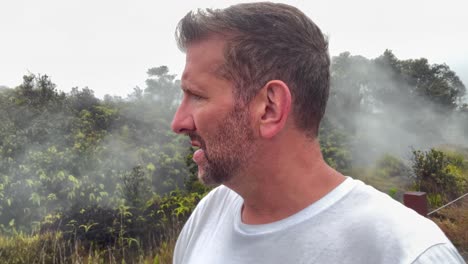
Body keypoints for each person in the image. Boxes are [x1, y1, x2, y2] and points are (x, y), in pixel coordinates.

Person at [170, 2, 465, 264]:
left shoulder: (408, 252)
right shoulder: (209, 214)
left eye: (196, 96)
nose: (178, 122)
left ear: (270, 108)